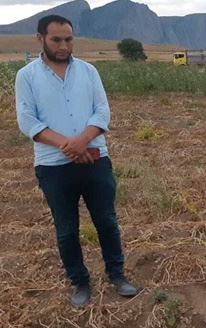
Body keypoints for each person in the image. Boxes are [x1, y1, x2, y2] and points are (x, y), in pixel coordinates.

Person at [15, 15, 138, 307]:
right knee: (67, 228)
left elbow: (102, 110)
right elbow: (27, 120)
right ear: (40, 39)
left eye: (68, 39)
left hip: (95, 159)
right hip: (52, 166)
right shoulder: (27, 76)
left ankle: (117, 275)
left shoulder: (88, 71)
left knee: (106, 221)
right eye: (56, 39)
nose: (63, 45)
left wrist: (83, 140)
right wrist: (67, 145)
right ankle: (80, 282)